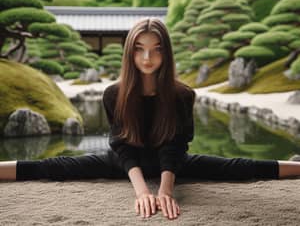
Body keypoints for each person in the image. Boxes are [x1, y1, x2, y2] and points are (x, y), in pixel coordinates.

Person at [1, 18, 300, 221]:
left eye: (156, 50)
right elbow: (121, 145)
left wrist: (166, 189)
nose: (147, 58)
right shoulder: (113, 93)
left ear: (166, 53)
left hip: (170, 162)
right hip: (123, 162)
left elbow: (176, 146)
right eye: (139, 50)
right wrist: (143, 190)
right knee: (56, 167)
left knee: (235, 167)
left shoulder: (182, 95)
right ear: (130, 53)